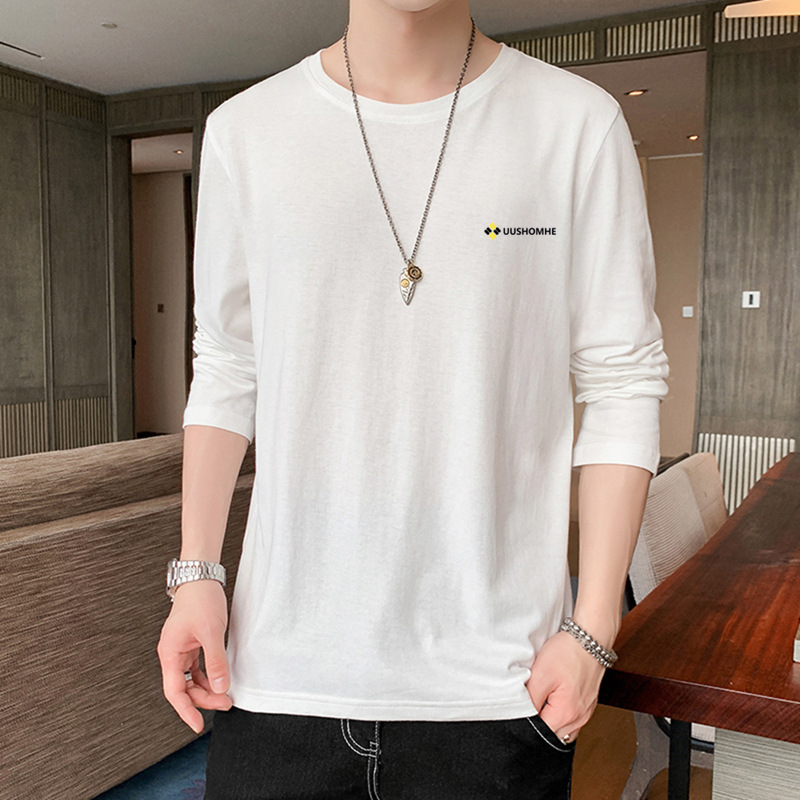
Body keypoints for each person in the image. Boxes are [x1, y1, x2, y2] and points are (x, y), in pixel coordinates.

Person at [157, 0, 670, 797]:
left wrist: (594, 625)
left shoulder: (576, 125)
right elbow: (227, 364)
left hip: (498, 690)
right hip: (278, 679)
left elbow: (622, 378)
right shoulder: (245, 132)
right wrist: (196, 574)